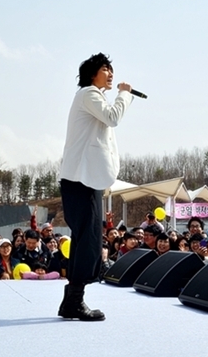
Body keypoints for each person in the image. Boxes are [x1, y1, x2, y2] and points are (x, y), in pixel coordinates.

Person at [58, 52, 134, 321]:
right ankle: (74, 302)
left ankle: (72, 302)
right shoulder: (88, 94)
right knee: (87, 240)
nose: (111, 74)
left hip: (86, 178)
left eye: (112, 69)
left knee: (85, 240)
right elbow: (112, 117)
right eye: (105, 69)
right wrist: (125, 94)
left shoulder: (92, 96)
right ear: (92, 74)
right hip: (81, 179)